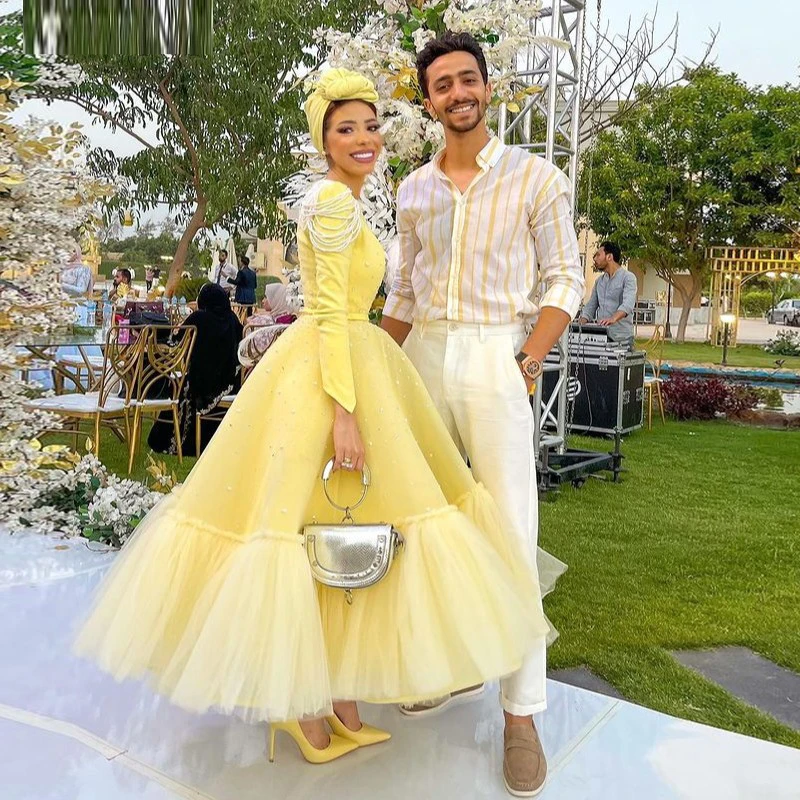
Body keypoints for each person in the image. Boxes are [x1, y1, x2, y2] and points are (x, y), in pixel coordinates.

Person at [75, 68, 547, 770]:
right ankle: (303, 708)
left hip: (355, 359)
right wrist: (345, 415)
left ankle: (340, 698)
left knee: (342, 525)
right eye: (344, 129)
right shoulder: (330, 201)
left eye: (370, 126)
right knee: (310, 527)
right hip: (331, 370)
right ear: (323, 141)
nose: (363, 139)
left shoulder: (346, 200)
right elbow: (326, 312)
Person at [381, 32, 585, 797]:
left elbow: (565, 278)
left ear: (487, 88)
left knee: (509, 534)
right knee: (419, 525)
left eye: (468, 79)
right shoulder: (412, 190)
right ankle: (443, 666)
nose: (457, 93)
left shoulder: (536, 178)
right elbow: (405, 292)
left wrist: (527, 359)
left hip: (498, 353)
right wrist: (373, 365)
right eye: (442, 84)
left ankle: (521, 714)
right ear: (428, 100)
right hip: (422, 357)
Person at [147, 283, 244, 457]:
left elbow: (175, 343)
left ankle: (175, 441)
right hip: (230, 383)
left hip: (202, 384)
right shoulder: (232, 319)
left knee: (177, 386)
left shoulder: (199, 318)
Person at [578, 241, 638, 349]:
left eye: (598, 255)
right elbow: (591, 306)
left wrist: (613, 318)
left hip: (622, 340)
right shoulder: (599, 281)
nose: (595, 259)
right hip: (602, 338)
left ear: (609, 257)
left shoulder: (628, 278)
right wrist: (580, 322)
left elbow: (628, 305)